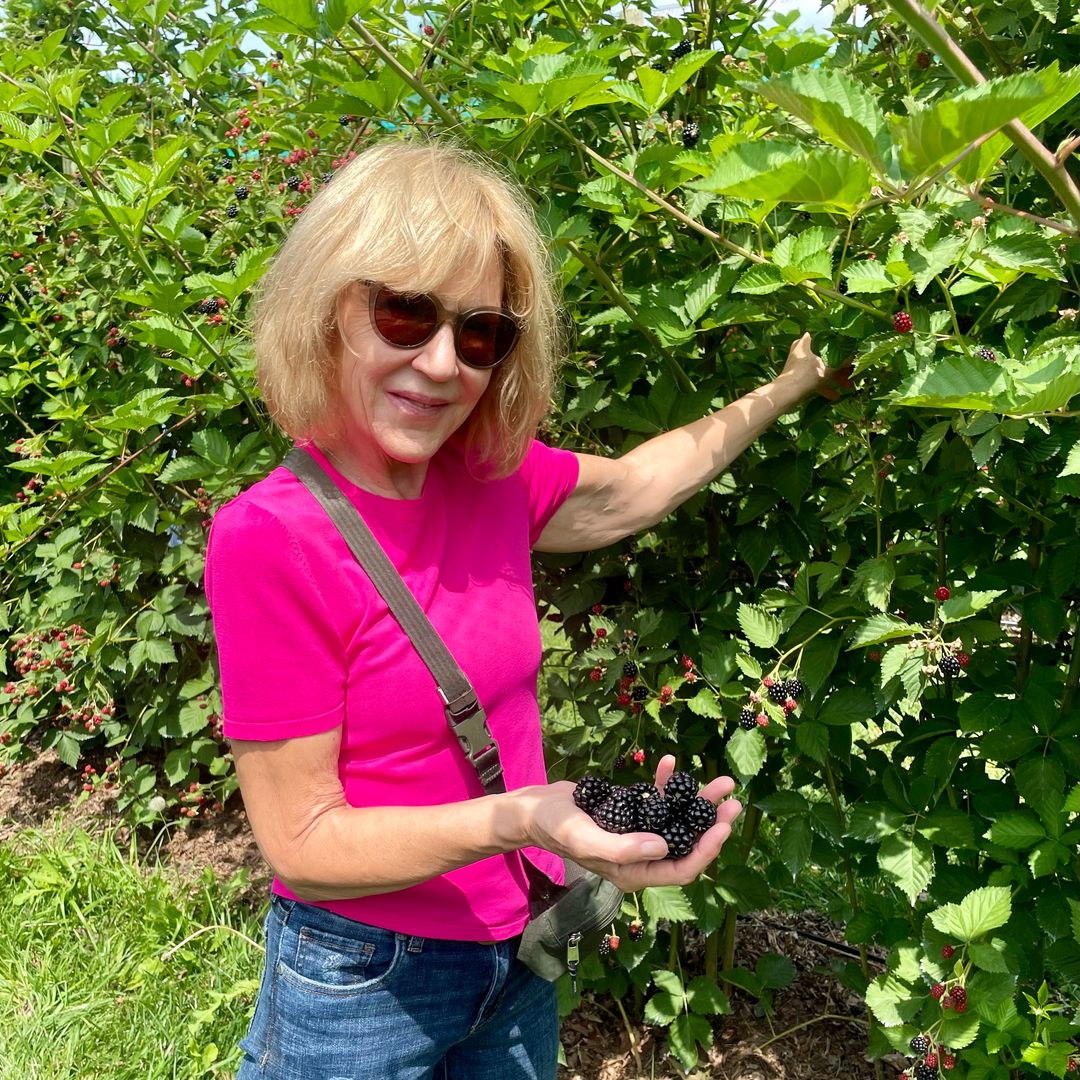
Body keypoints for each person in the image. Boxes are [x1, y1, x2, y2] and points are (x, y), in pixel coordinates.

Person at [204, 138, 843, 1080]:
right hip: (364, 985)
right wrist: (526, 819)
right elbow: (304, 845)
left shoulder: (486, 475)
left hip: (516, 956)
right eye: (403, 312)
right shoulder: (272, 537)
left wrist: (790, 384)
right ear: (329, 306)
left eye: (477, 335)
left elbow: (633, 486)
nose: (437, 363)